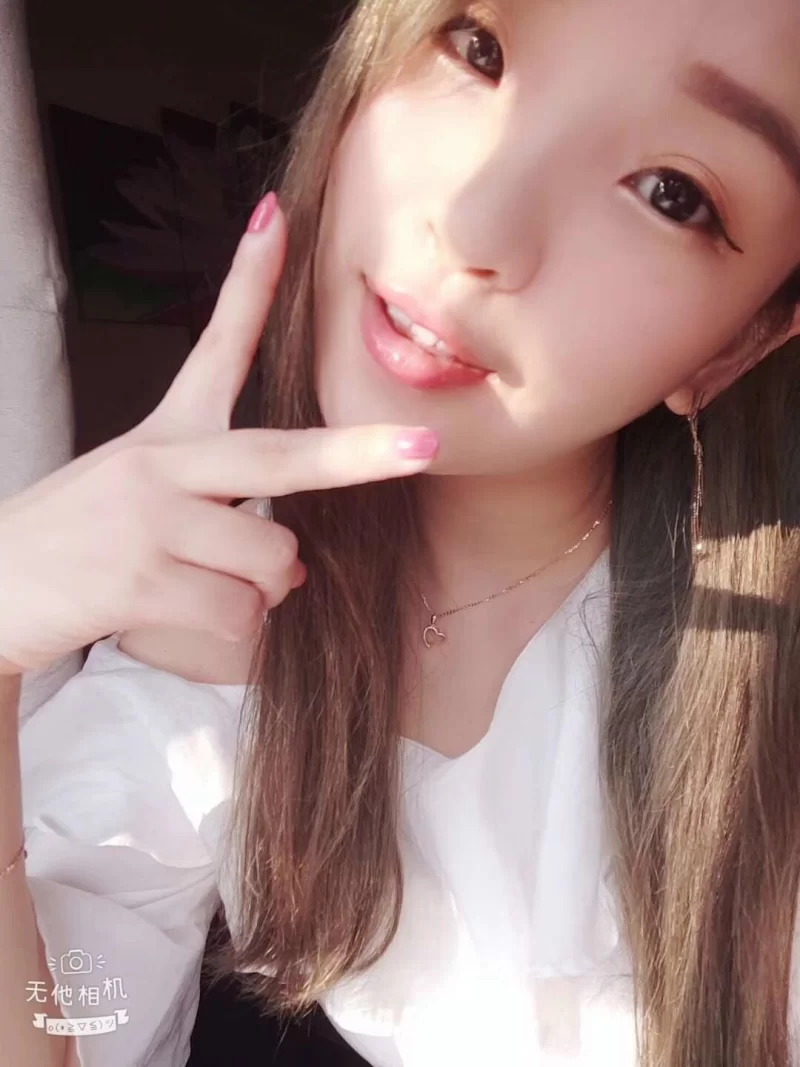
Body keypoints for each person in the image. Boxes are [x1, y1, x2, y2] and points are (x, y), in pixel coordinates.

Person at [2, 0, 800, 1063]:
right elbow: (64, 1021)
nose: (474, 224)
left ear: (742, 339)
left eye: (671, 192)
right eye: (478, 50)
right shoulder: (221, 619)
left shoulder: (759, 695)